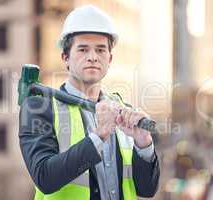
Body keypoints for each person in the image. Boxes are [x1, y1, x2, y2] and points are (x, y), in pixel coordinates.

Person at [19, 5, 160, 200]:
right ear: (65, 58)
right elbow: (44, 177)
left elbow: (147, 189)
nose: (93, 57)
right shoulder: (40, 108)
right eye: (83, 49)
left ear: (110, 59)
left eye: (101, 50)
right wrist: (99, 135)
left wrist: (143, 143)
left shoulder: (122, 111)